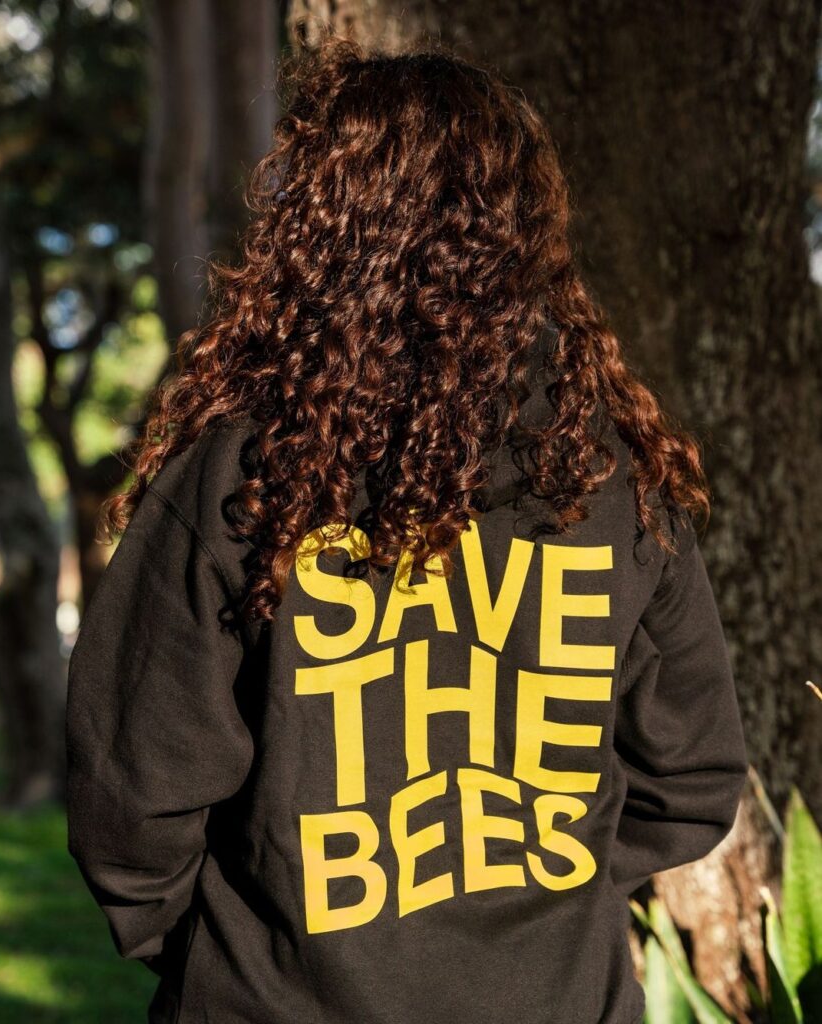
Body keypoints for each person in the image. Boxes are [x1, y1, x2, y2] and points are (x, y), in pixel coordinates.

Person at [65, 37, 749, 1024]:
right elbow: (688, 779)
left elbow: (130, 786)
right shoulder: (606, 476)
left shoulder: (237, 473)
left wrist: (232, 948)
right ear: (524, 236)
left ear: (315, 230)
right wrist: (535, 905)